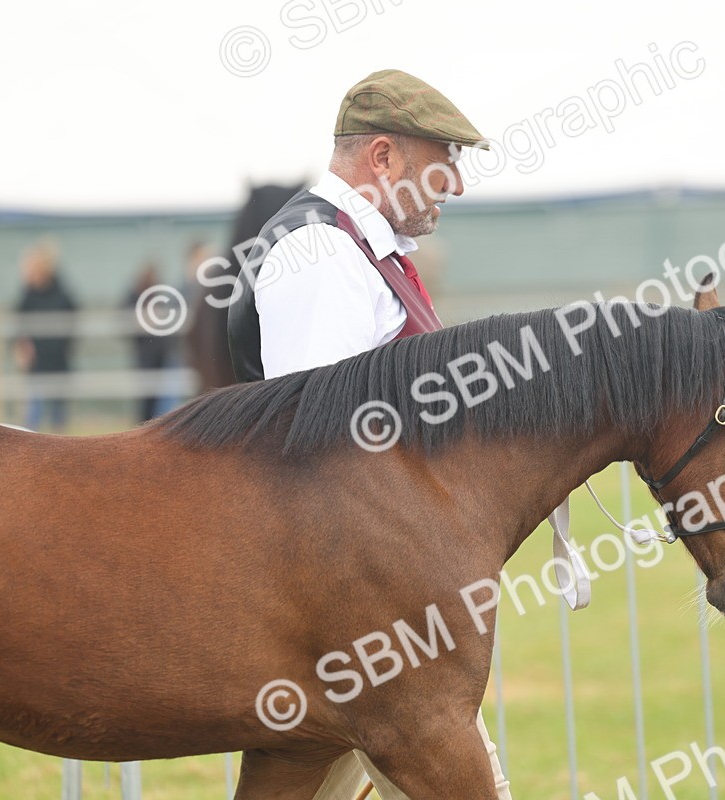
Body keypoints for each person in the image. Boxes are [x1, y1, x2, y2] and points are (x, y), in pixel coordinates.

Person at [226, 70, 511, 798]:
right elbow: (325, 454)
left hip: (373, 608)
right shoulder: (322, 254)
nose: (457, 184)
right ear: (383, 158)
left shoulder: (361, 249)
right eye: (443, 159)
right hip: (362, 613)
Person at [14, 237, 77, 432]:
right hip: (37, 362)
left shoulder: (61, 292)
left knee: (58, 409)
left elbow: (72, 318)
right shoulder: (28, 294)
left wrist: (63, 346)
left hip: (57, 358)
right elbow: (19, 324)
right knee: (35, 409)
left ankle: (61, 450)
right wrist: (22, 346)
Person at [126, 261, 174, 423]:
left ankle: (153, 422)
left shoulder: (158, 295)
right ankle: (143, 422)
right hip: (144, 351)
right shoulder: (135, 295)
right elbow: (125, 319)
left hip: (159, 351)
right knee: (145, 393)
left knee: (158, 393)